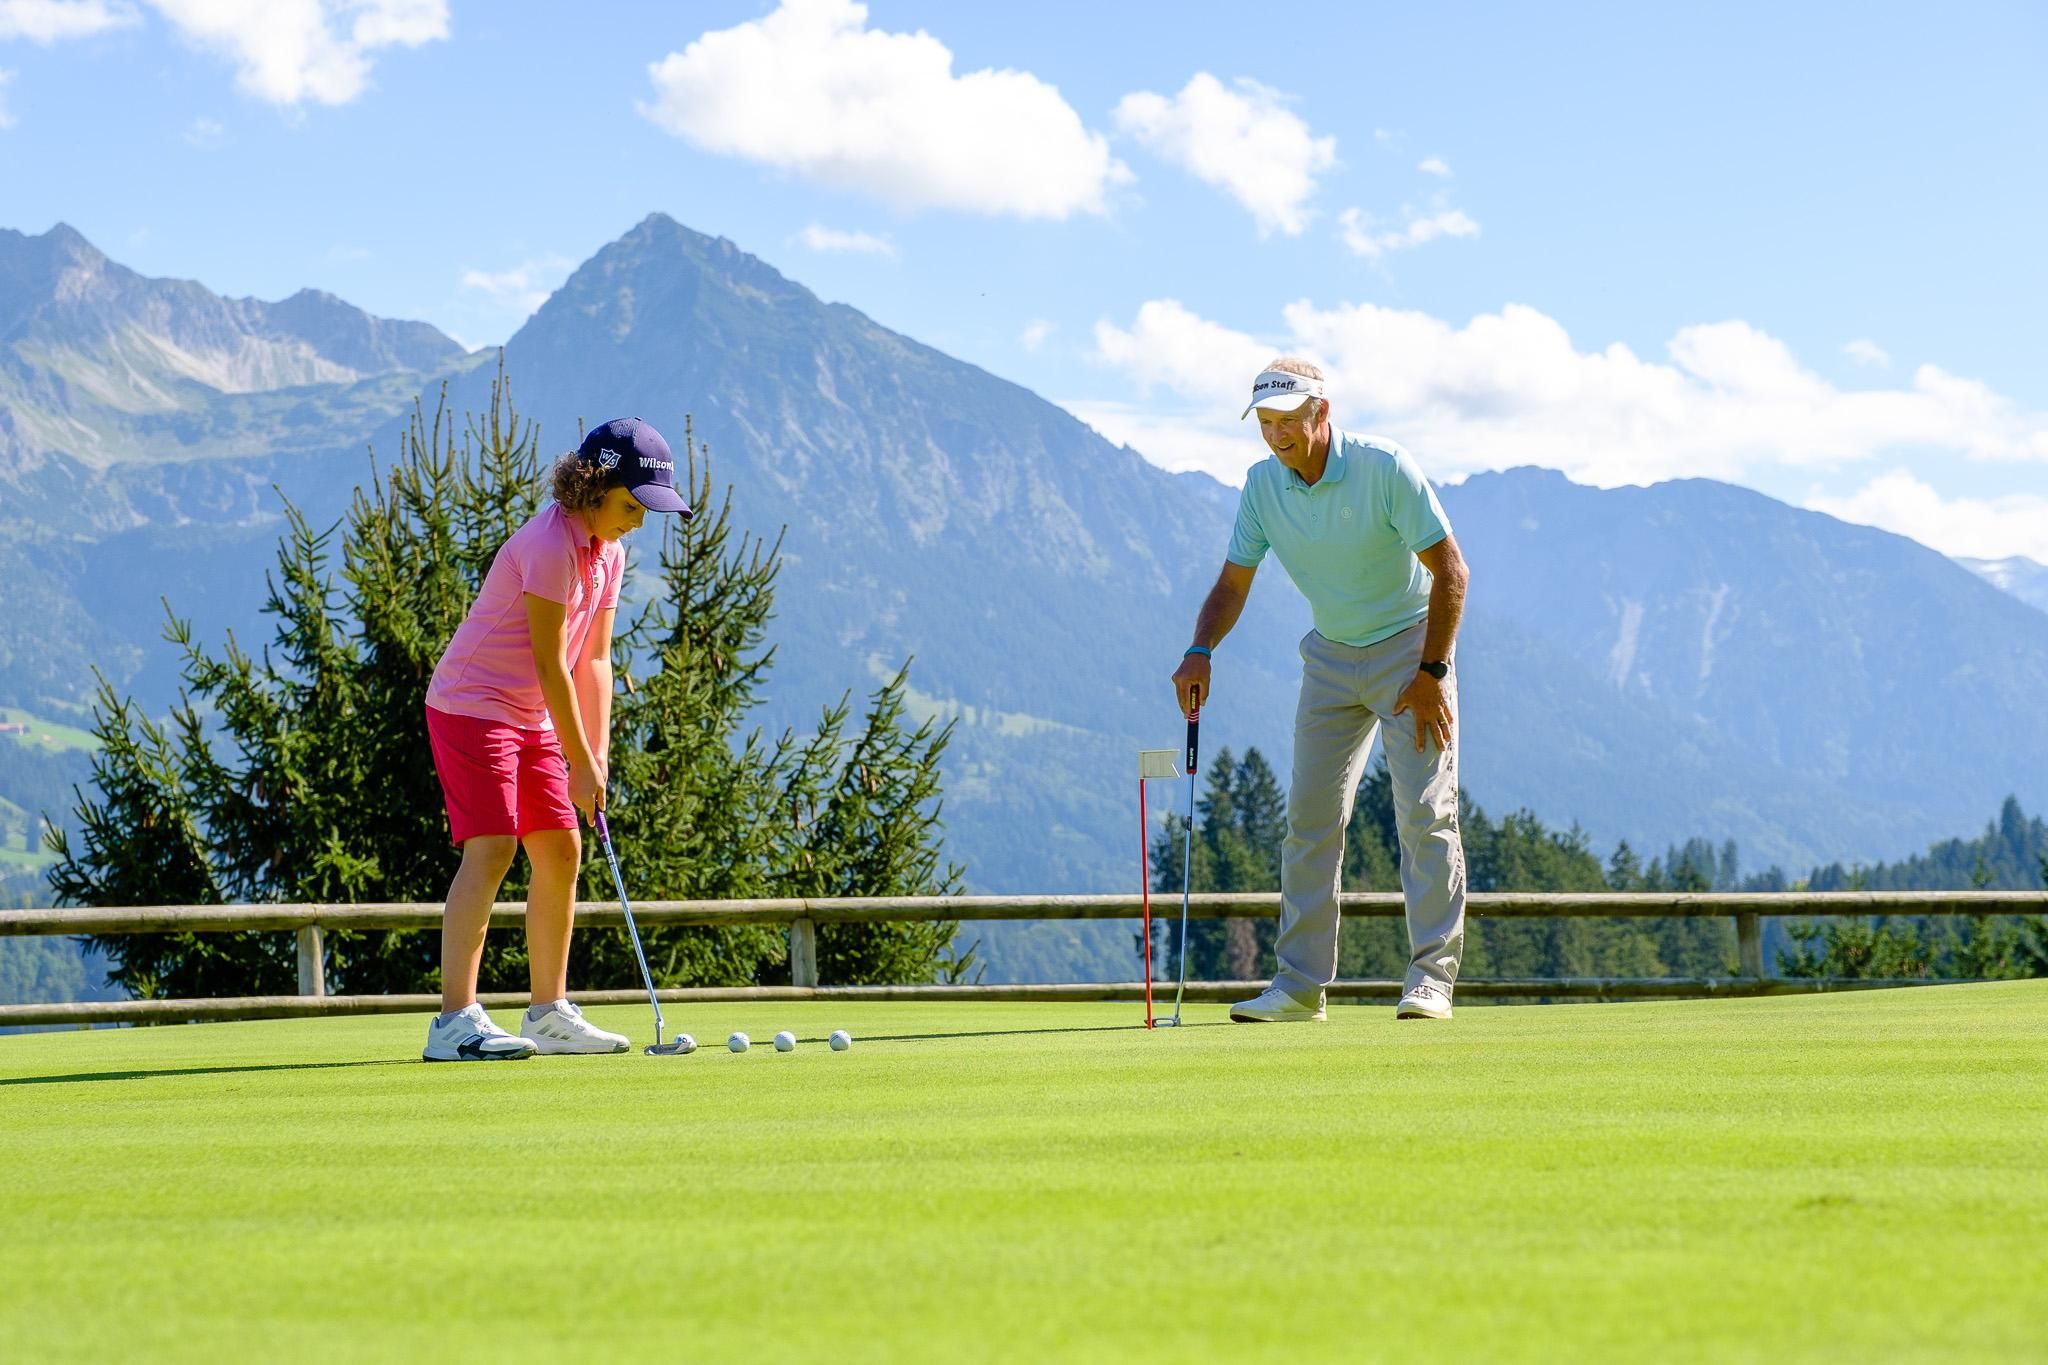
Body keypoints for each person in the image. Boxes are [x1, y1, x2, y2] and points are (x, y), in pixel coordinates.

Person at [1171, 360, 1470, 1022]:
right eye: (1267, 424)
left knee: (1424, 812)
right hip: (1330, 658)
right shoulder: (1261, 487)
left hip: (1410, 650)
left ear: (1321, 413)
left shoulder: (1385, 467)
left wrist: (1433, 673)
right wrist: (1200, 649)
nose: (1277, 437)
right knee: (1309, 819)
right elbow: (1231, 583)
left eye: (1288, 422)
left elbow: (1452, 571)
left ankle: (1431, 980)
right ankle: (1300, 986)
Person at [419, 417, 691, 1061]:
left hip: (534, 715)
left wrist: (594, 763)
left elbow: (593, 661)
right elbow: (550, 661)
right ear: (592, 489)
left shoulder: (611, 552)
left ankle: (547, 1012)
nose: (639, 521)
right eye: (631, 505)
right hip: (471, 706)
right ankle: (453, 1021)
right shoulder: (548, 545)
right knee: (491, 849)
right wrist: (576, 758)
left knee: (562, 848)